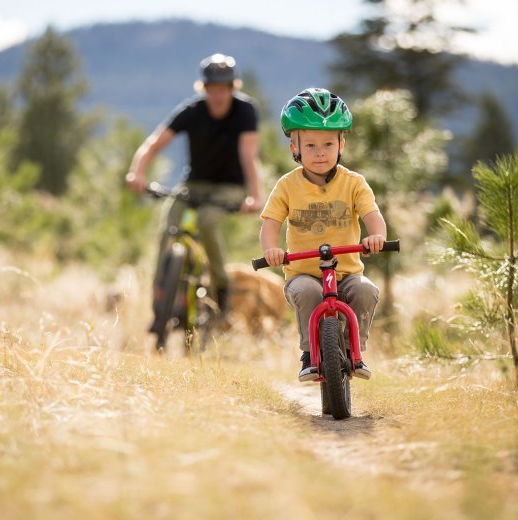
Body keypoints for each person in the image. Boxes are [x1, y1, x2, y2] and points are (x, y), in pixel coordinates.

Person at [126, 53, 263, 325]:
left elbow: (249, 156)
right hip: (193, 184)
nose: (218, 95)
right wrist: (137, 173)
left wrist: (256, 196)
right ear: (204, 88)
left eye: (223, 89)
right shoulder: (192, 111)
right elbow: (153, 144)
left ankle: (221, 291)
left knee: (207, 222)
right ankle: (159, 306)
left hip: (230, 187)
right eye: (212, 89)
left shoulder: (245, 111)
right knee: (168, 231)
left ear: (232, 88)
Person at [259, 88, 386, 382]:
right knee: (308, 293)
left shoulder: (354, 183)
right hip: (304, 272)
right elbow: (271, 223)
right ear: (294, 148)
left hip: (347, 272)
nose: (320, 152)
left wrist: (376, 236)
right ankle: (309, 354)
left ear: (342, 144)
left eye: (328, 143)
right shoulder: (287, 185)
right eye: (311, 145)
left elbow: (371, 215)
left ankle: (355, 350)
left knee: (366, 290)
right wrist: (271, 250)